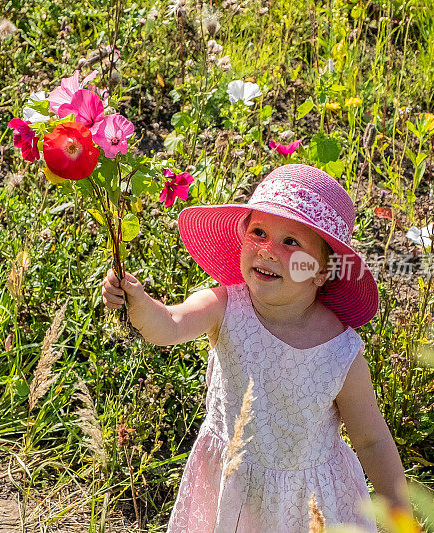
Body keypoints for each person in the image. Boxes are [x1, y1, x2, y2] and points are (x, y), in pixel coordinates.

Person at [102, 164, 410, 532]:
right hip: (231, 482)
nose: (267, 250)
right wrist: (137, 301)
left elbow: (372, 439)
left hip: (308, 502)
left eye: (291, 242)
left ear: (322, 271)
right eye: (258, 232)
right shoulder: (224, 306)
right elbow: (170, 324)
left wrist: (399, 514)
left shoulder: (339, 352)